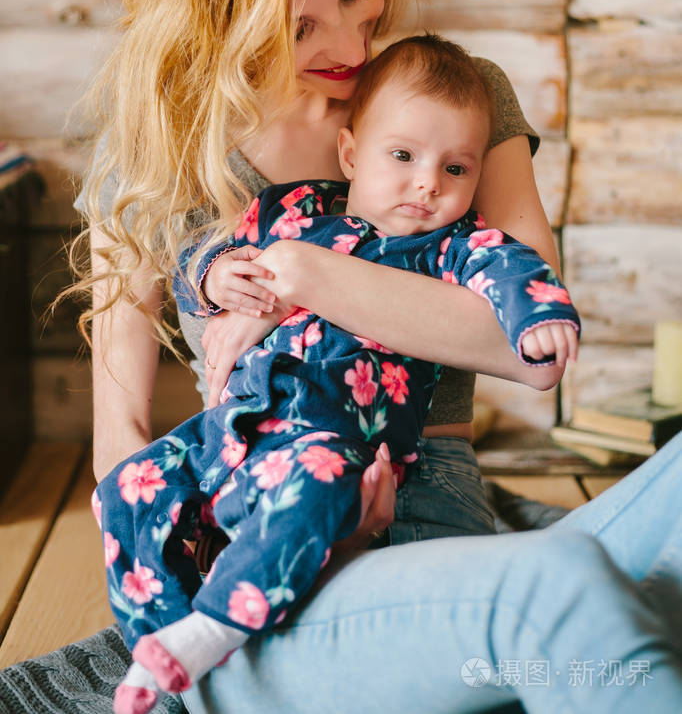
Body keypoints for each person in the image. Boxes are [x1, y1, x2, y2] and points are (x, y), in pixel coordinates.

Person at [2, 0, 679, 714]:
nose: (352, 46)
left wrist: (305, 270)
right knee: (554, 592)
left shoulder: (453, 102)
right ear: (215, 20)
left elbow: (518, 340)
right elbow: (119, 440)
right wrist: (237, 535)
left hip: (434, 490)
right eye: (300, 24)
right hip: (262, 541)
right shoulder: (160, 142)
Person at [94, 35, 580, 713]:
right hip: (235, 435)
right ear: (352, 154)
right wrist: (212, 274)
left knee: (320, 490)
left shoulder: (451, 244)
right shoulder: (294, 212)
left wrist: (541, 317)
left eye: (456, 169)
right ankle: (164, 640)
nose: (427, 184)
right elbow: (203, 261)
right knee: (126, 488)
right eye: (403, 156)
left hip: (342, 443)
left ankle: (213, 632)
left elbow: (516, 271)